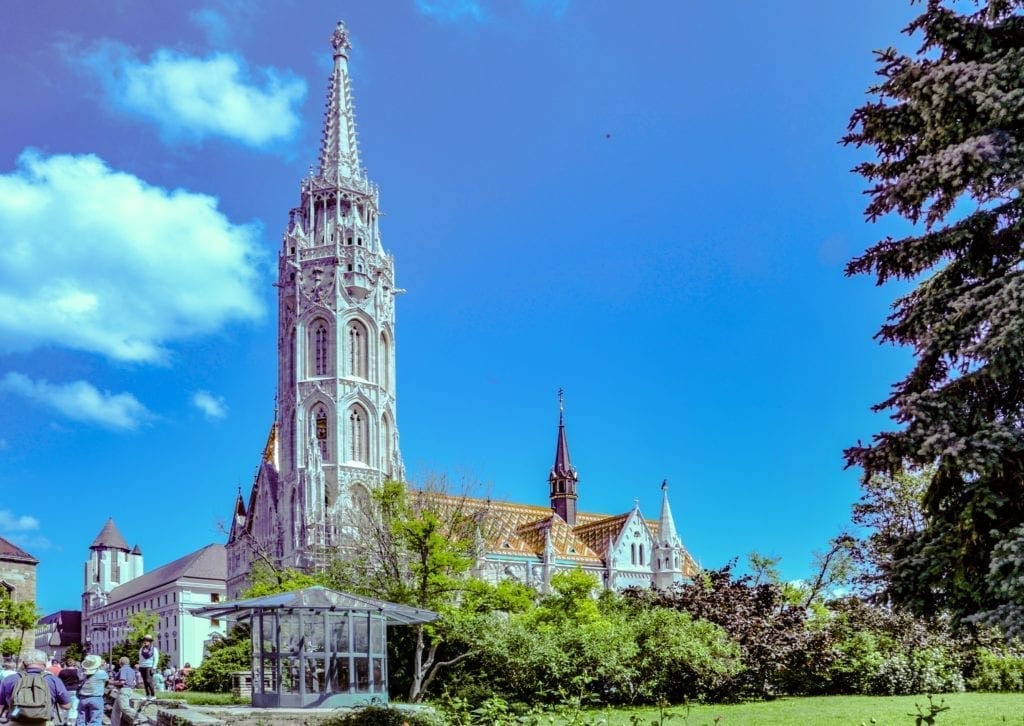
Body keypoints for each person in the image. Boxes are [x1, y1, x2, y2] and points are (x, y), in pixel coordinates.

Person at [0, 649, 71, 725]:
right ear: (44, 664)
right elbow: (66, 706)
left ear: (24, 663)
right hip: (43, 722)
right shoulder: (53, 680)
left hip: (16, 721)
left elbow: (1, 705)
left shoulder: (10, 679)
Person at [74, 655, 106, 726]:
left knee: (81, 719)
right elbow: (106, 680)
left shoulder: (81, 673)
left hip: (83, 698)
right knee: (95, 720)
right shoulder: (101, 673)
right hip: (96, 698)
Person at [109, 657, 136, 726]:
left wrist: (112, 682)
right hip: (128, 690)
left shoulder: (123, 669)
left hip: (123, 690)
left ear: (120, 663)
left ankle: (141, 718)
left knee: (125, 708)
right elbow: (134, 682)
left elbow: (122, 682)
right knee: (116, 711)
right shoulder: (132, 670)